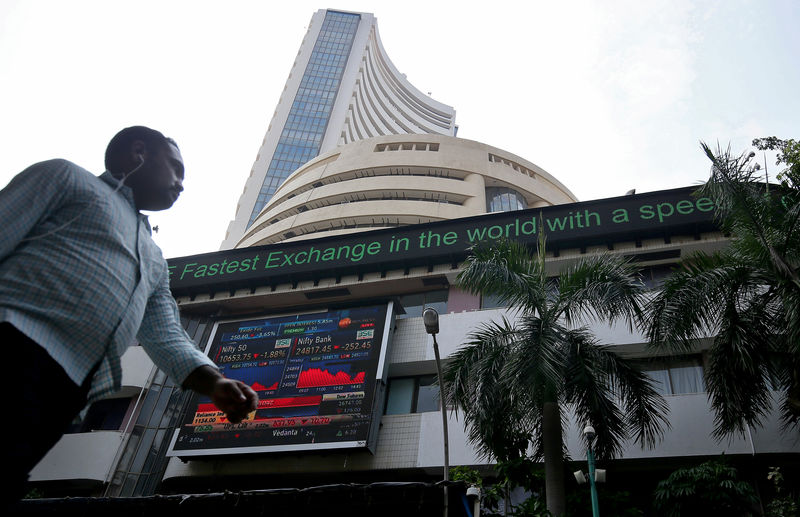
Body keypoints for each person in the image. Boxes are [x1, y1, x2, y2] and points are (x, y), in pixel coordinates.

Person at [0, 126, 258, 503]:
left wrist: (213, 383)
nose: (181, 185)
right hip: (14, 339)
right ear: (138, 152)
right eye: (175, 168)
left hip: (68, 388)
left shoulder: (153, 257)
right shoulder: (65, 177)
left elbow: (164, 331)